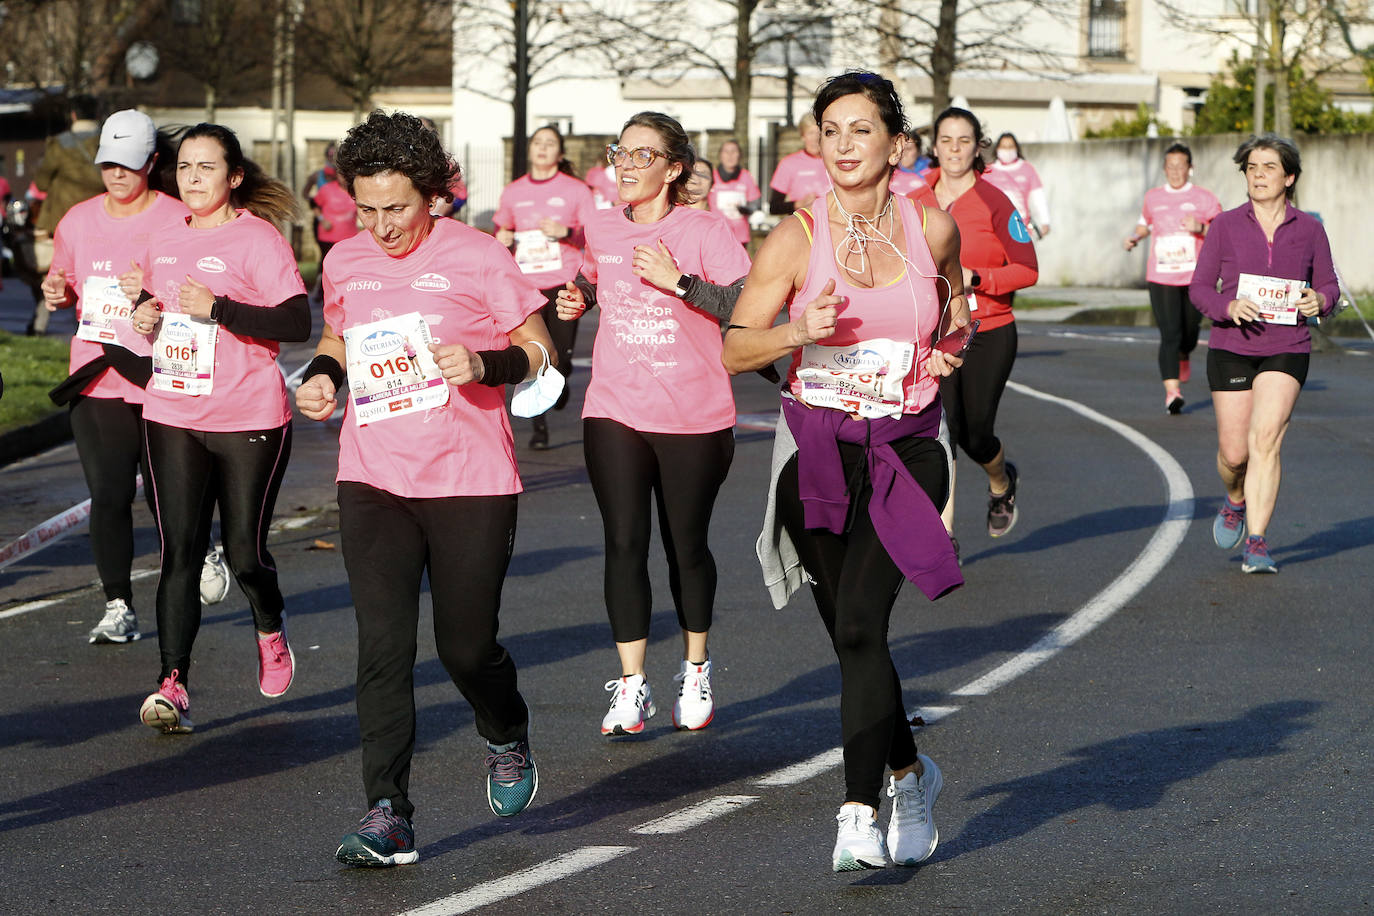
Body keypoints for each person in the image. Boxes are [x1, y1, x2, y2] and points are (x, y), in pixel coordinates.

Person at [723, 70, 968, 872]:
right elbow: (734, 347)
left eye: (861, 130)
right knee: (851, 637)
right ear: (815, 143)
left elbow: (955, 305)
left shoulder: (931, 229)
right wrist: (797, 332)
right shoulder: (794, 238)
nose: (844, 145)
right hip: (818, 455)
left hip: (909, 449)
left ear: (897, 145)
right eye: (831, 130)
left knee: (863, 623)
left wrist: (949, 340)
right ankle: (911, 774)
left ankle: (857, 811)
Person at [295, 110, 550, 867]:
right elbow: (338, 335)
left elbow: (537, 349)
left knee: (466, 648)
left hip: (470, 478)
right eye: (366, 209)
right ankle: (388, 813)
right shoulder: (344, 261)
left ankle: (504, 733)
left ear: (433, 195)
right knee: (382, 648)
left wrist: (484, 363)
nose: (381, 225)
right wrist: (322, 377)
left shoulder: (478, 257)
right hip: (373, 474)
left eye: (396, 207)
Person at [555, 112, 751, 737]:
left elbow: (751, 308)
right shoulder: (602, 226)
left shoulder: (705, 230)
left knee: (684, 545)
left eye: (644, 155)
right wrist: (577, 296)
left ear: (673, 169)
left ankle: (696, 668)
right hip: (614, 406)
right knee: (623, 542)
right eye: (622, 152)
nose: (628, 164)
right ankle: (632, 685)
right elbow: (593, 274)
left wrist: (681, 282)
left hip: (694, 414)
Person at [129, 123, 309, 734]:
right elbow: (151, 321)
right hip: (173, 411)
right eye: (184, 167)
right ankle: (172, 682)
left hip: (248, 415)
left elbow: (296, 319)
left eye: (206, 168)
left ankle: (268, 622)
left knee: (245, 553)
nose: (193, 178)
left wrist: (220, 309)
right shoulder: (163, 238)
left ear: (233, 177)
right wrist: (144, 311)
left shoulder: (258, 240)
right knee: (177, 552)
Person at [40, 110, 187, 645]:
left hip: (161, 371)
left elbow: (199, 291)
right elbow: (65, 282)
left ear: (150, 163)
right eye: (108, 165)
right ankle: (118, 604)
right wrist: (57, 292)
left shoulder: (177, 219)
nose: (117, 176)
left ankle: (202, 556)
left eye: (128, 165)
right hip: (97, 372)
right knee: (108, 492)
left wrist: (151, 292)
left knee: (169, 494)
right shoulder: (77, 220)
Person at [1188, 134, 1338, 574]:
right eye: (1252, 167)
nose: (1258, 175)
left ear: (1289, 177)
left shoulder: (1310, 229)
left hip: (1287, 347)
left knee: (1266, 440)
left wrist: (1320, 302)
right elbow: (1199, 288)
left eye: (1268, 167)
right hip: (1232, 345)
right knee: (1235, 455)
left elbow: (1328, 285)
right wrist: (1227, 306)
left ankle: (1256, 540)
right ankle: (1235, 499)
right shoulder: (1226, 225)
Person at [927, 108, 1038, 557]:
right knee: (942, 430)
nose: (955, 149)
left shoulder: (996, 201)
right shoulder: (913, 199)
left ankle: (1001, 480)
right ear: (934, 145)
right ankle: (944, 535)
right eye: (947, 140)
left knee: (975, 433)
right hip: (935, 333)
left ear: (978, 147)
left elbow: (1028, 270)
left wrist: (980, 279)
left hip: (989, 329)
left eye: (964, 140)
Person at [493, 125, 595, 449]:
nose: (542, 148)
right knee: (535, 351)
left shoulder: (577, 190)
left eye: (550, 143)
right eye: (538, 142)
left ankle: (561, 382)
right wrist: (503, 238)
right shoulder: (513, 191)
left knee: (561, 358)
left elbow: (593, 236)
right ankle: (539, 427)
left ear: (560, 153)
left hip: (563, 282)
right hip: (525, 284)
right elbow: (502, 231)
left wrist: (566, 230)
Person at [1123, 142, 1221, 413]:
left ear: (1190, 169)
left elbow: (1223, 230)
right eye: (1171, 166)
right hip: (1161, 275)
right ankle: (1172, 392)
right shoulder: (1153, 197)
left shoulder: (1204, 198)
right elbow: (1145, 223)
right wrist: (1135, 236)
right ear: (1165, 169)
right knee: (1170, 334)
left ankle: (1184, 354)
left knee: (1189, 334)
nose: (1175, 171)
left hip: (1195, 277)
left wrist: (1200, 226)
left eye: (1181, 166)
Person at [30, 95, 105, 335]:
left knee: (56, 274)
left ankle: (40, 325)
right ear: (96, 115)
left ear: (73, 115)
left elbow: (41, 183)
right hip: (105, 220)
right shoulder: (107, 143)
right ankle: (89, 325)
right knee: (98, 273)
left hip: (63, 221)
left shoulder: (60, 144)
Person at [982, 132, 1051, 239]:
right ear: (997, 149)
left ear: (1016, 148)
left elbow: (1038, 196)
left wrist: (1045, 220)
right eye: (1004, 147)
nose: (1007, 150)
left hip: (1021, 227)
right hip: (994, 227)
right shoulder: (988, 171)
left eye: (1010, 147)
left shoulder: (1026, 168)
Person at [769, 112, 829, 215]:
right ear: (802, 136)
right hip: (802, 226)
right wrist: (799, 204)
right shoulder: (788, 163)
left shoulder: (835, 161)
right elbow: (774, 207)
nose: (815, 138)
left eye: (819, 133)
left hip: (834, 225)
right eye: (810, 133)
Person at [709, 139, 761, 246]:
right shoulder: (712, 177)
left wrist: (747, 209)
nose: (730, 155)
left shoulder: (746, 176)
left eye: (734, 151)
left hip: (740, 237)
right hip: (717, 234)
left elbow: (755, 202)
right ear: (720, 155)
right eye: (726, 151)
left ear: (739, 155)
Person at [888, 132, 928, 197]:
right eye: (902, 149)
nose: (904, 153)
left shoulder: (932, 174)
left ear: (918, 151)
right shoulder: (888, 175)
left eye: (909, 149)